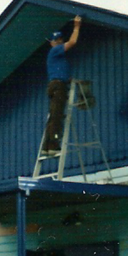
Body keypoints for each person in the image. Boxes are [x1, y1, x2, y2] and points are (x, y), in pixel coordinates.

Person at [42, 16, 83, 154]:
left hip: (57, 85)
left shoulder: (58, 58)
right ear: (54, 42)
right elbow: (72, 42)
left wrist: (69, 79)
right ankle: (52, 145)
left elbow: (61, 72)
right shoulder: (55, 50)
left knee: (54, 115)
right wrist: (76, 26)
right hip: (58, 86)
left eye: (59, 40)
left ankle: (47, 146)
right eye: (56, 40)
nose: (58, 42)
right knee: (57, 116)